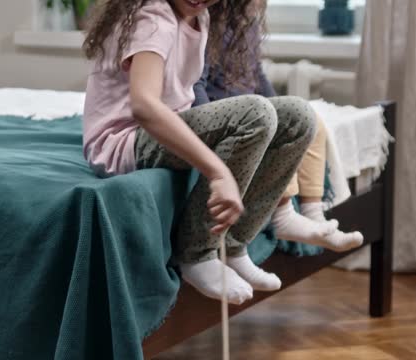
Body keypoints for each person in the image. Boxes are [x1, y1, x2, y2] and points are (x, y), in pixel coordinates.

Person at [82, 0, 316, 304]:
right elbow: (144, 105)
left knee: (298, 116)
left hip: (167, 128)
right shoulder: (152, 18)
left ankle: (232, 245)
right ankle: (196, 252)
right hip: (124, 142)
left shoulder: (200, 18)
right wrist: (217, 170)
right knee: (255, 113)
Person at [193, 11, 364, 280]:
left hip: (256, 105)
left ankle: (313, 212)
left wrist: (290, 115)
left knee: (312, 121)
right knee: (273, 132)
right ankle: (283, 215)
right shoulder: (208, 23)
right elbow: (197, 84)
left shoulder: (247, 22)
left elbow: (257, 74)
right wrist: (207, 127)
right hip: (227, 111)